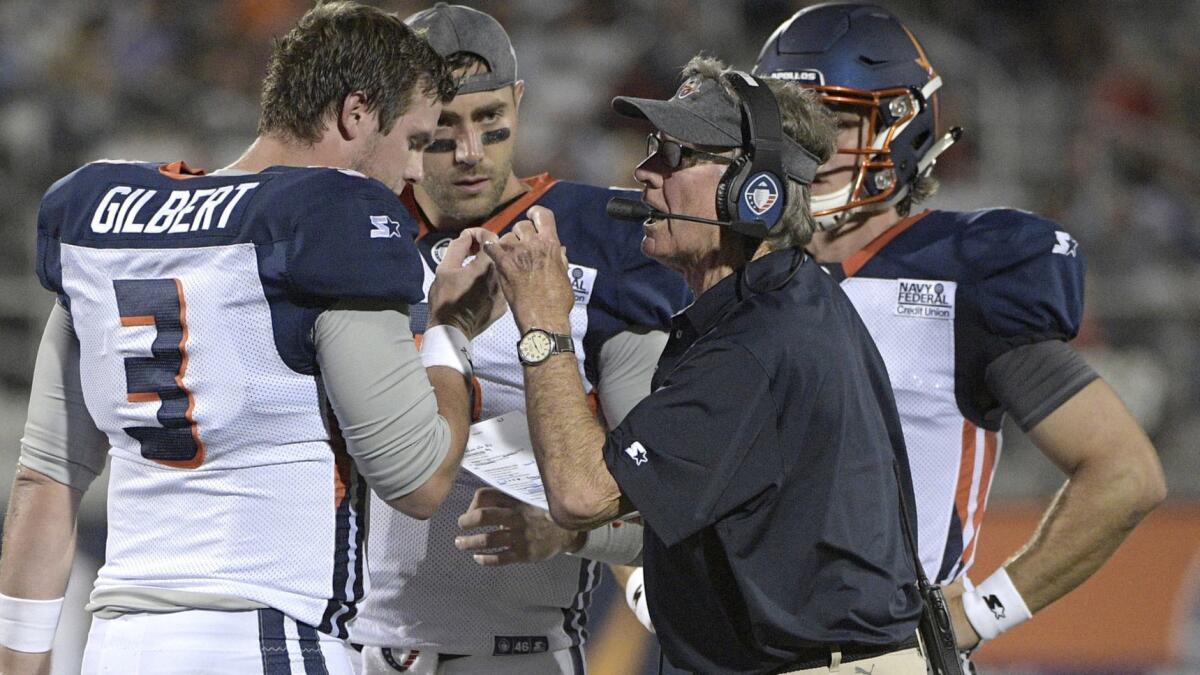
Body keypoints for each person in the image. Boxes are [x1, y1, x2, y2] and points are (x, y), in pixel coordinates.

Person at [0, 3, 505, 673]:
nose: (416, 171)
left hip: (118, 644)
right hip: (264, 634)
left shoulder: (104, 220)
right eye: (415, 140)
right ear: (356, 113)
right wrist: (449, 333)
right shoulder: (334, 217)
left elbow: (46, 479)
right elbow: (415, 477)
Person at [478, 56, 929, 675]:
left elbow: (583, 494)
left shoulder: (754, 345)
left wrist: (544, 321)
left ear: (755, 190)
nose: (643, 172)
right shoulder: (783, 302)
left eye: (676, 155)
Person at [744, 2, 1169, 657]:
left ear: (898, 126)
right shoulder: (731, 269)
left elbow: (1125, 473)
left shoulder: (962, 275)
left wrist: (978, 612)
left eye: (833, 123)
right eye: (790, 126)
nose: (808, 147)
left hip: (876, 653)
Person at [350, 5, 689, 675]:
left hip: (516, 653)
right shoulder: (351, 231)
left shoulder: (602, 241)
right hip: (348, 644)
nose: (471, 151)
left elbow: (665, 501)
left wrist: (568, 530)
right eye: (444, 124)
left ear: (520, 101)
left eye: (488, 119)